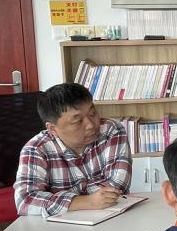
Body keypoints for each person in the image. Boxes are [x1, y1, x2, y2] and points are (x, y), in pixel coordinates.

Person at [14, 83, 133, 216]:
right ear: (53, 129)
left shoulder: (111, 130)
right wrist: (86, 201)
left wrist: (57, 200)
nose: (91, 125)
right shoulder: (36, 149)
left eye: (93, 113)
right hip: (61, 224)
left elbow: (117, 186)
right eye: (78, 121)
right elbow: (25, 201)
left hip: (112, 216)